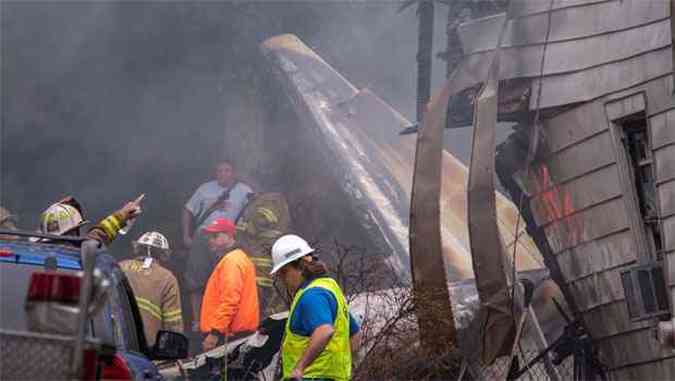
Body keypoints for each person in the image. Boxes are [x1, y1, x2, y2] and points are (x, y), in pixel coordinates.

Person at [270, 234, 361, 381]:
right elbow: (355, 335)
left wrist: (299, 368)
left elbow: (324, 331)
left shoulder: (312, 296)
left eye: (284, 272)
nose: (283, 279)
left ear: (299, 266)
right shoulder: (329, 287)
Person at [183, 160, 253, 329]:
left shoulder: (245, 191)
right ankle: (197, 322)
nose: (223, 174)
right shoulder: (205, 189)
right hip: (203, 237)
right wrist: (186, 235)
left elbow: (253, 214)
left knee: (226, 281)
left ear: (234, 172)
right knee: (196, 279)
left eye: (227, 170)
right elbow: (187, 210)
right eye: (219, 171)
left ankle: (222, 322)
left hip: (228, 240)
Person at [200, 218, 259, 352]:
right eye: (210, 237)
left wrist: (215, 333)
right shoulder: (239, 258)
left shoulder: (232, 261)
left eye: (215, 236)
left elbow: (230, 300)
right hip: (233, 334)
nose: (211, 240)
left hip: (228, 337)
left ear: (230, 235)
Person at [119, 231, 183, 346]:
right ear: (163, 254)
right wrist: (174, 348)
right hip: (146, 348)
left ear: (137, 248)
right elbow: (173, 323)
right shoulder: (167, 278)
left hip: (115, 340)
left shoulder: (120, 266)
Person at [235, 192, 291, 317]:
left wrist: (246, 227)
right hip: (260, 250)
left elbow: (264, 219)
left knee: (264, 286)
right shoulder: (257, 201)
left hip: (264, 250)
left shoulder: (272, 199)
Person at [39, 196, 141, 247]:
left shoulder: (32, 255)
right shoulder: (80, 258)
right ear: (74, 232)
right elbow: (98, 236)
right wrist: (122, 215)